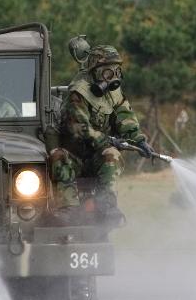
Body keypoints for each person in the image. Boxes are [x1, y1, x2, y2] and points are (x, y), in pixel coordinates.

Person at [48, 45, 155, 222]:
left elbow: (126, 118)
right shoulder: (79, 92)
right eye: (107, 72)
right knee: (58, 155)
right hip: (74, 158)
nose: (112, 76)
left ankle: (107, 206)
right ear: (94, 71)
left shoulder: (114, 93)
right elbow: (80, 128)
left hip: (96, 156)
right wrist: (108, 141)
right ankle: (68, 207)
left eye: (116, 70)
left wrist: (139, 141)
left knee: (112, 155)